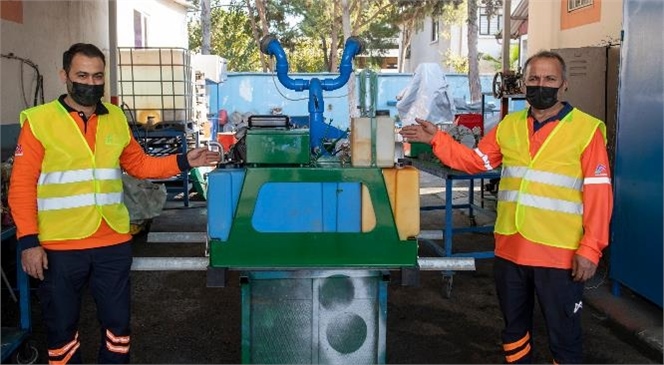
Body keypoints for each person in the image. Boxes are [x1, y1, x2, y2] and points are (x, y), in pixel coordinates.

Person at [8, 43, 220, 364]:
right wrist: (28, 242)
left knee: (118, 328)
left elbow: (140, 165)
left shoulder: (115, 118)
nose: (90, 83)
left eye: (97, 76)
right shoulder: (39, 122)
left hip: (112, 243)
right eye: (82, 75)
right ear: (64, 75)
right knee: (61, 332)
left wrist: (184, 161)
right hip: (60, 247)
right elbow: (21, 186)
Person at [400, 50, 613, 364]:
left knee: (565, 337)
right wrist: (438, 140)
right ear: (524, 84)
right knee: (514, 333)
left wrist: (591, 248)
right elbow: (478, 162)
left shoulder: (586, 130)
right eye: (534, 79)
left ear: (564, 85)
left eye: (550, 79)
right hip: (511, 250)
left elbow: (599, 194)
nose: (542, 85)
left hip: (559, 253)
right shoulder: (509, 126)